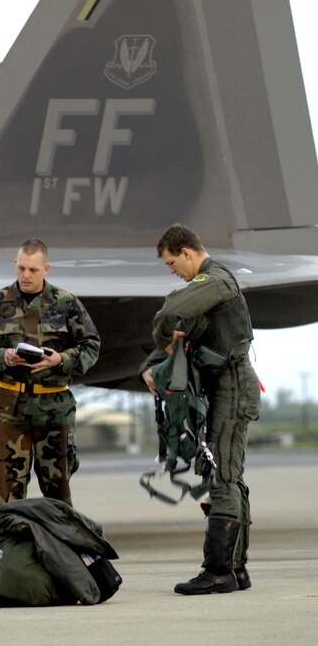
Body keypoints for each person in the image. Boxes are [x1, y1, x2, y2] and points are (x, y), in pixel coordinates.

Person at [140, 224, 261, 595]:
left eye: (171, 263)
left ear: (187, 252)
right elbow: (184, 333)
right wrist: (154, 362)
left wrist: (162, 332)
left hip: (232, 385)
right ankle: (236, 569)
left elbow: (172, 311)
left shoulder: (217, 281)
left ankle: (218, 572)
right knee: (229, 475)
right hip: (223, 386)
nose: (172, 270)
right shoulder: (206, 290)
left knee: (223, 476)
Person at [0, 238, 100, 506]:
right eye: (22, 268)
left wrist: (61, 359)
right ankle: (13, 534)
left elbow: (91, 346)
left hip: (54, 409)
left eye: (33, 270)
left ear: (45, 269)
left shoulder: (65, 303)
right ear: (15, 264)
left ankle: (59, 534)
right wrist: (4, 356)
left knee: (58, 489)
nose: (26, 275)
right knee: (9, 489)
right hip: (8, 409)